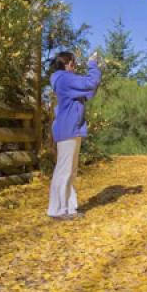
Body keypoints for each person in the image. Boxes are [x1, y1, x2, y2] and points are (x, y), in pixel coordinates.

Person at [47, 51, 102, 219]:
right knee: (64, 170)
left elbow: (90, 89)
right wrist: (92, 64)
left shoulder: (65, 79)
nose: (75, 66)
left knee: (70, 171)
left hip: (71, 129)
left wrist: (96, 73)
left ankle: (69, 208)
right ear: (68, 64)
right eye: (74, 63)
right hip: (68, 129)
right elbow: (91, 81)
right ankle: (56, 210)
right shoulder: (64, 78)